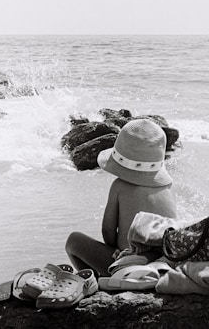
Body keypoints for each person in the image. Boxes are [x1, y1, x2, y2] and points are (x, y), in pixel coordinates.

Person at [65, 118, 177, 277]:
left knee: (73, 241)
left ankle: (95, 280)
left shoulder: (119, 186)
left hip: (129, 266)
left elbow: (108, 231)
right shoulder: (167, 186)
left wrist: (115, 250)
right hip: (162, 263)